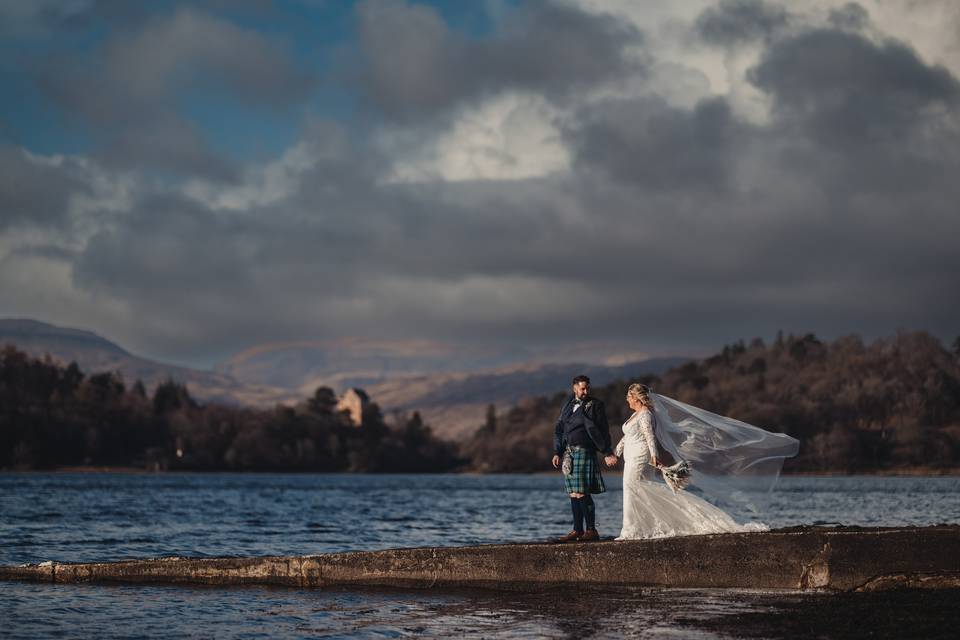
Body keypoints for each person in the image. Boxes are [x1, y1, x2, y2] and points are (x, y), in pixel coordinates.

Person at [613, 383, 798, 540]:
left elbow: (649, 436)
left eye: (628, 396)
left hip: (640, 456)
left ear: (637, 398)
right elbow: (627, 436)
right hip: (631, 455)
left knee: (632, 488)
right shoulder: (635, 415)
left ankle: (630, 530)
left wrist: (654, 455)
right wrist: (616, 452)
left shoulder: (645, 414)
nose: (626, 400)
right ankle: (642, 527)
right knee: (642, 490)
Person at [551, 375, 619, 542]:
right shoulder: (567, 404)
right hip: (568, 453)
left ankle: (591, 530)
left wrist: (607, 451)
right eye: (582, 389)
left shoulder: (595, 405)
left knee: (582, 492)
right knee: (573, 493)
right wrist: (557, 451)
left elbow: (603, 430)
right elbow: (559, 429)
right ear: (575, 388)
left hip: (585, 451)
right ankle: (577, 530)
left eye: (588, 388)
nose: (586, 391)